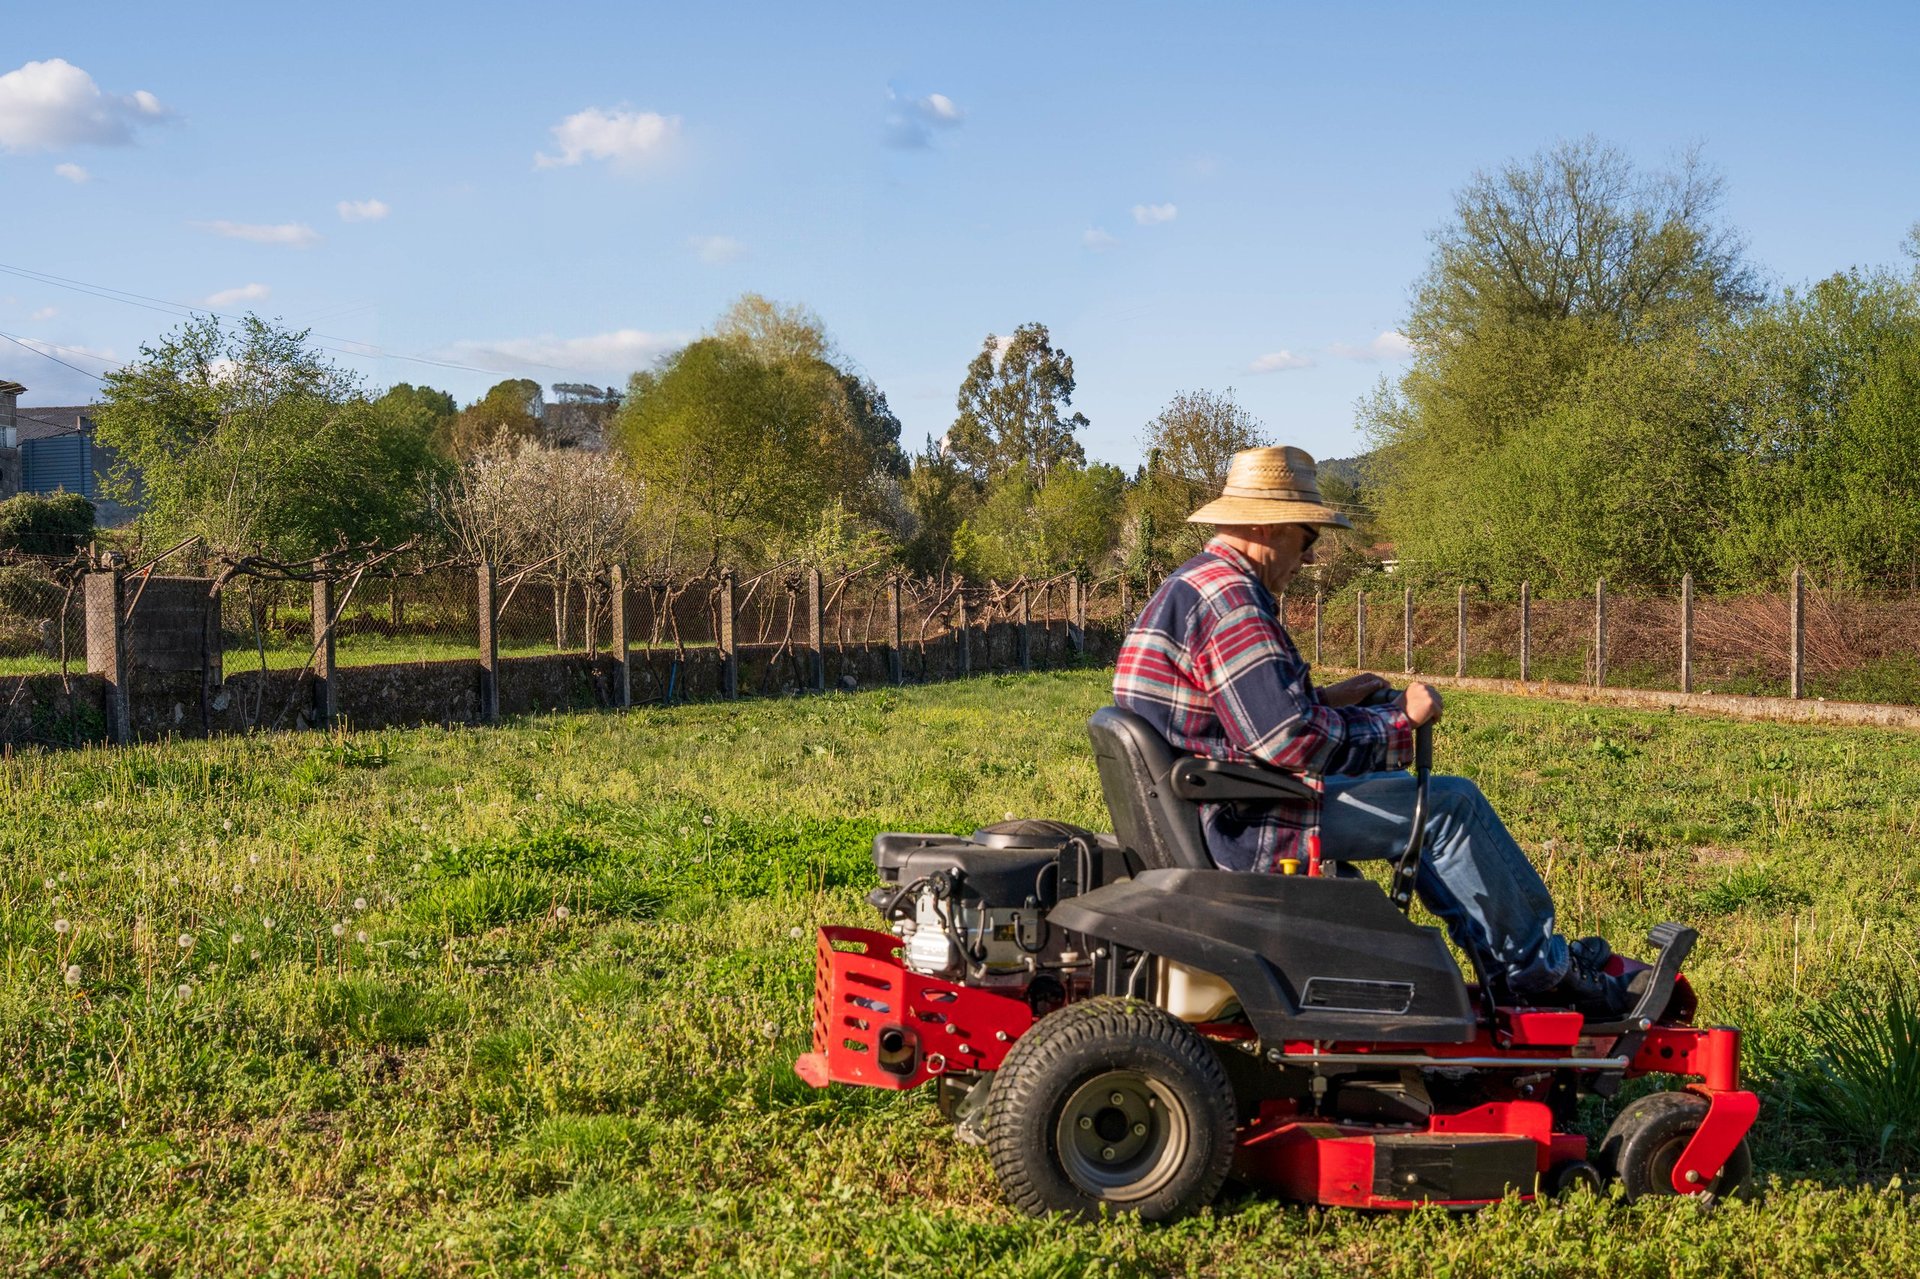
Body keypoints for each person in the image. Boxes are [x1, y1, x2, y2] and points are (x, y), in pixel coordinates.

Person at [1113, 446, 1633, 1018]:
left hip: (1218, 804)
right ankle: (1541, 974)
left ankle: (1517, 968)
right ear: (1263, 525)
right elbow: (1289, 742)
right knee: (1451, 807)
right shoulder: (1234, 602)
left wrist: (1328, 699)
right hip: (1250, 820)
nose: (1308, 559)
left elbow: (1231, 716)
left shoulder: (1189, 586)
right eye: (1306, 538)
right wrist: (1399, 721)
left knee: (1440, 806)